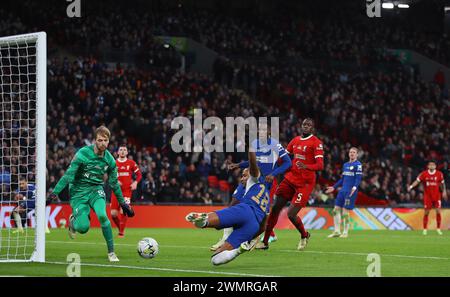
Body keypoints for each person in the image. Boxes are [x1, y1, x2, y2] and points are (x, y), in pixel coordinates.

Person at [49, 126, 135, 262]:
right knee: (83, 228)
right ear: (94, 140)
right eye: (100, 140)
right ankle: (73, 221)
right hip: (78, 191)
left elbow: (114, 184)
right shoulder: (82, 154)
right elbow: (68, 175)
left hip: (96, 190)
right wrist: (54, 194)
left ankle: (111, 252)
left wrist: (123, 203)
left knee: (102, 215)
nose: (103, 143)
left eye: (105, 140)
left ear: (108, 141)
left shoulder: (110, 160)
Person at [210, 122, 291, 251]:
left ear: (269, 132)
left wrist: (273, 174)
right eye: (260, 130)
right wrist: (238, 165)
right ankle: (225, 238)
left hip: (264, 183)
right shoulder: (255, 144)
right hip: (251, 178)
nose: (261, 132)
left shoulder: (275, 145)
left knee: (261, 213)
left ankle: (254, 238)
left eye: (264, 130)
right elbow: (252, 162)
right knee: (233, 203)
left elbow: (288, 163)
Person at [185, 150, 269, 265]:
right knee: (215, 260)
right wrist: (250, 238)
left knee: (212, 219)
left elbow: (253, 164)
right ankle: (239, 250)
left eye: (244, 176)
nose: (242, 179)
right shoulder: (267, 197)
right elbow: (263, 226)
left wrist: (251, 148)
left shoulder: (254, 180)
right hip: (253, 225)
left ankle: (204, 221)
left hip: (245, 210)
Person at [256, 118, 324, 250]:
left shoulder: (316, 143)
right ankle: (265, 242)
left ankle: (304, 235)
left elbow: (320, 165)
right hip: (290, 179)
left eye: (309, 125)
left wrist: (306, 166)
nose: (306, 126)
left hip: (304, 184)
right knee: (275, 208)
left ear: (312, 128)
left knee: (291, 214)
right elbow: (282, 158)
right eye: (304, 124)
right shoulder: (295, 140)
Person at [325, 147, 363, 238]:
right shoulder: (345, 165)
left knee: (345, 211)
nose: (352, 153)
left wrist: (354, 187)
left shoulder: (358, 165)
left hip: (350, 191)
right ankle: (337, 231)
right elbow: (343, 179)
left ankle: (345, 232)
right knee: (335, 210)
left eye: (354, 152)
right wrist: (334, 187)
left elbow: (358, 178)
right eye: (350, 152)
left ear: (357, 154)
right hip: (342, 191)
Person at [110, 144, 142, 237]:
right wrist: (115, 181)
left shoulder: (131, 163)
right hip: (116, 191)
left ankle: (121, 233)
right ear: (118, 152)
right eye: (121, 150)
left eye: (124, 150)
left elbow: (139, 175)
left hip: (126, 191)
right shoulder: (113, 163)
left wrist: (135, 182)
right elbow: (110, 176)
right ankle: (120, 228)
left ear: (127, 152)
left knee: (123, 211)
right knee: (113, 214)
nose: (123, 151)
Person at [408, 161, 447, 235]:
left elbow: (442, 183)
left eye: (433, 165)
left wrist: (444, 191)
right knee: (426, 212)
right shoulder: (424, 174)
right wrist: (411, 186)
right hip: (428, 196)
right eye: (430, 165)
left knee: (438, 211)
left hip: (437, 196)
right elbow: (417, 181)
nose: (432, 166)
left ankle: (438, 229)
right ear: (428, 166)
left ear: (435, 166)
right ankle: (425, 229)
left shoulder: (439, 174)